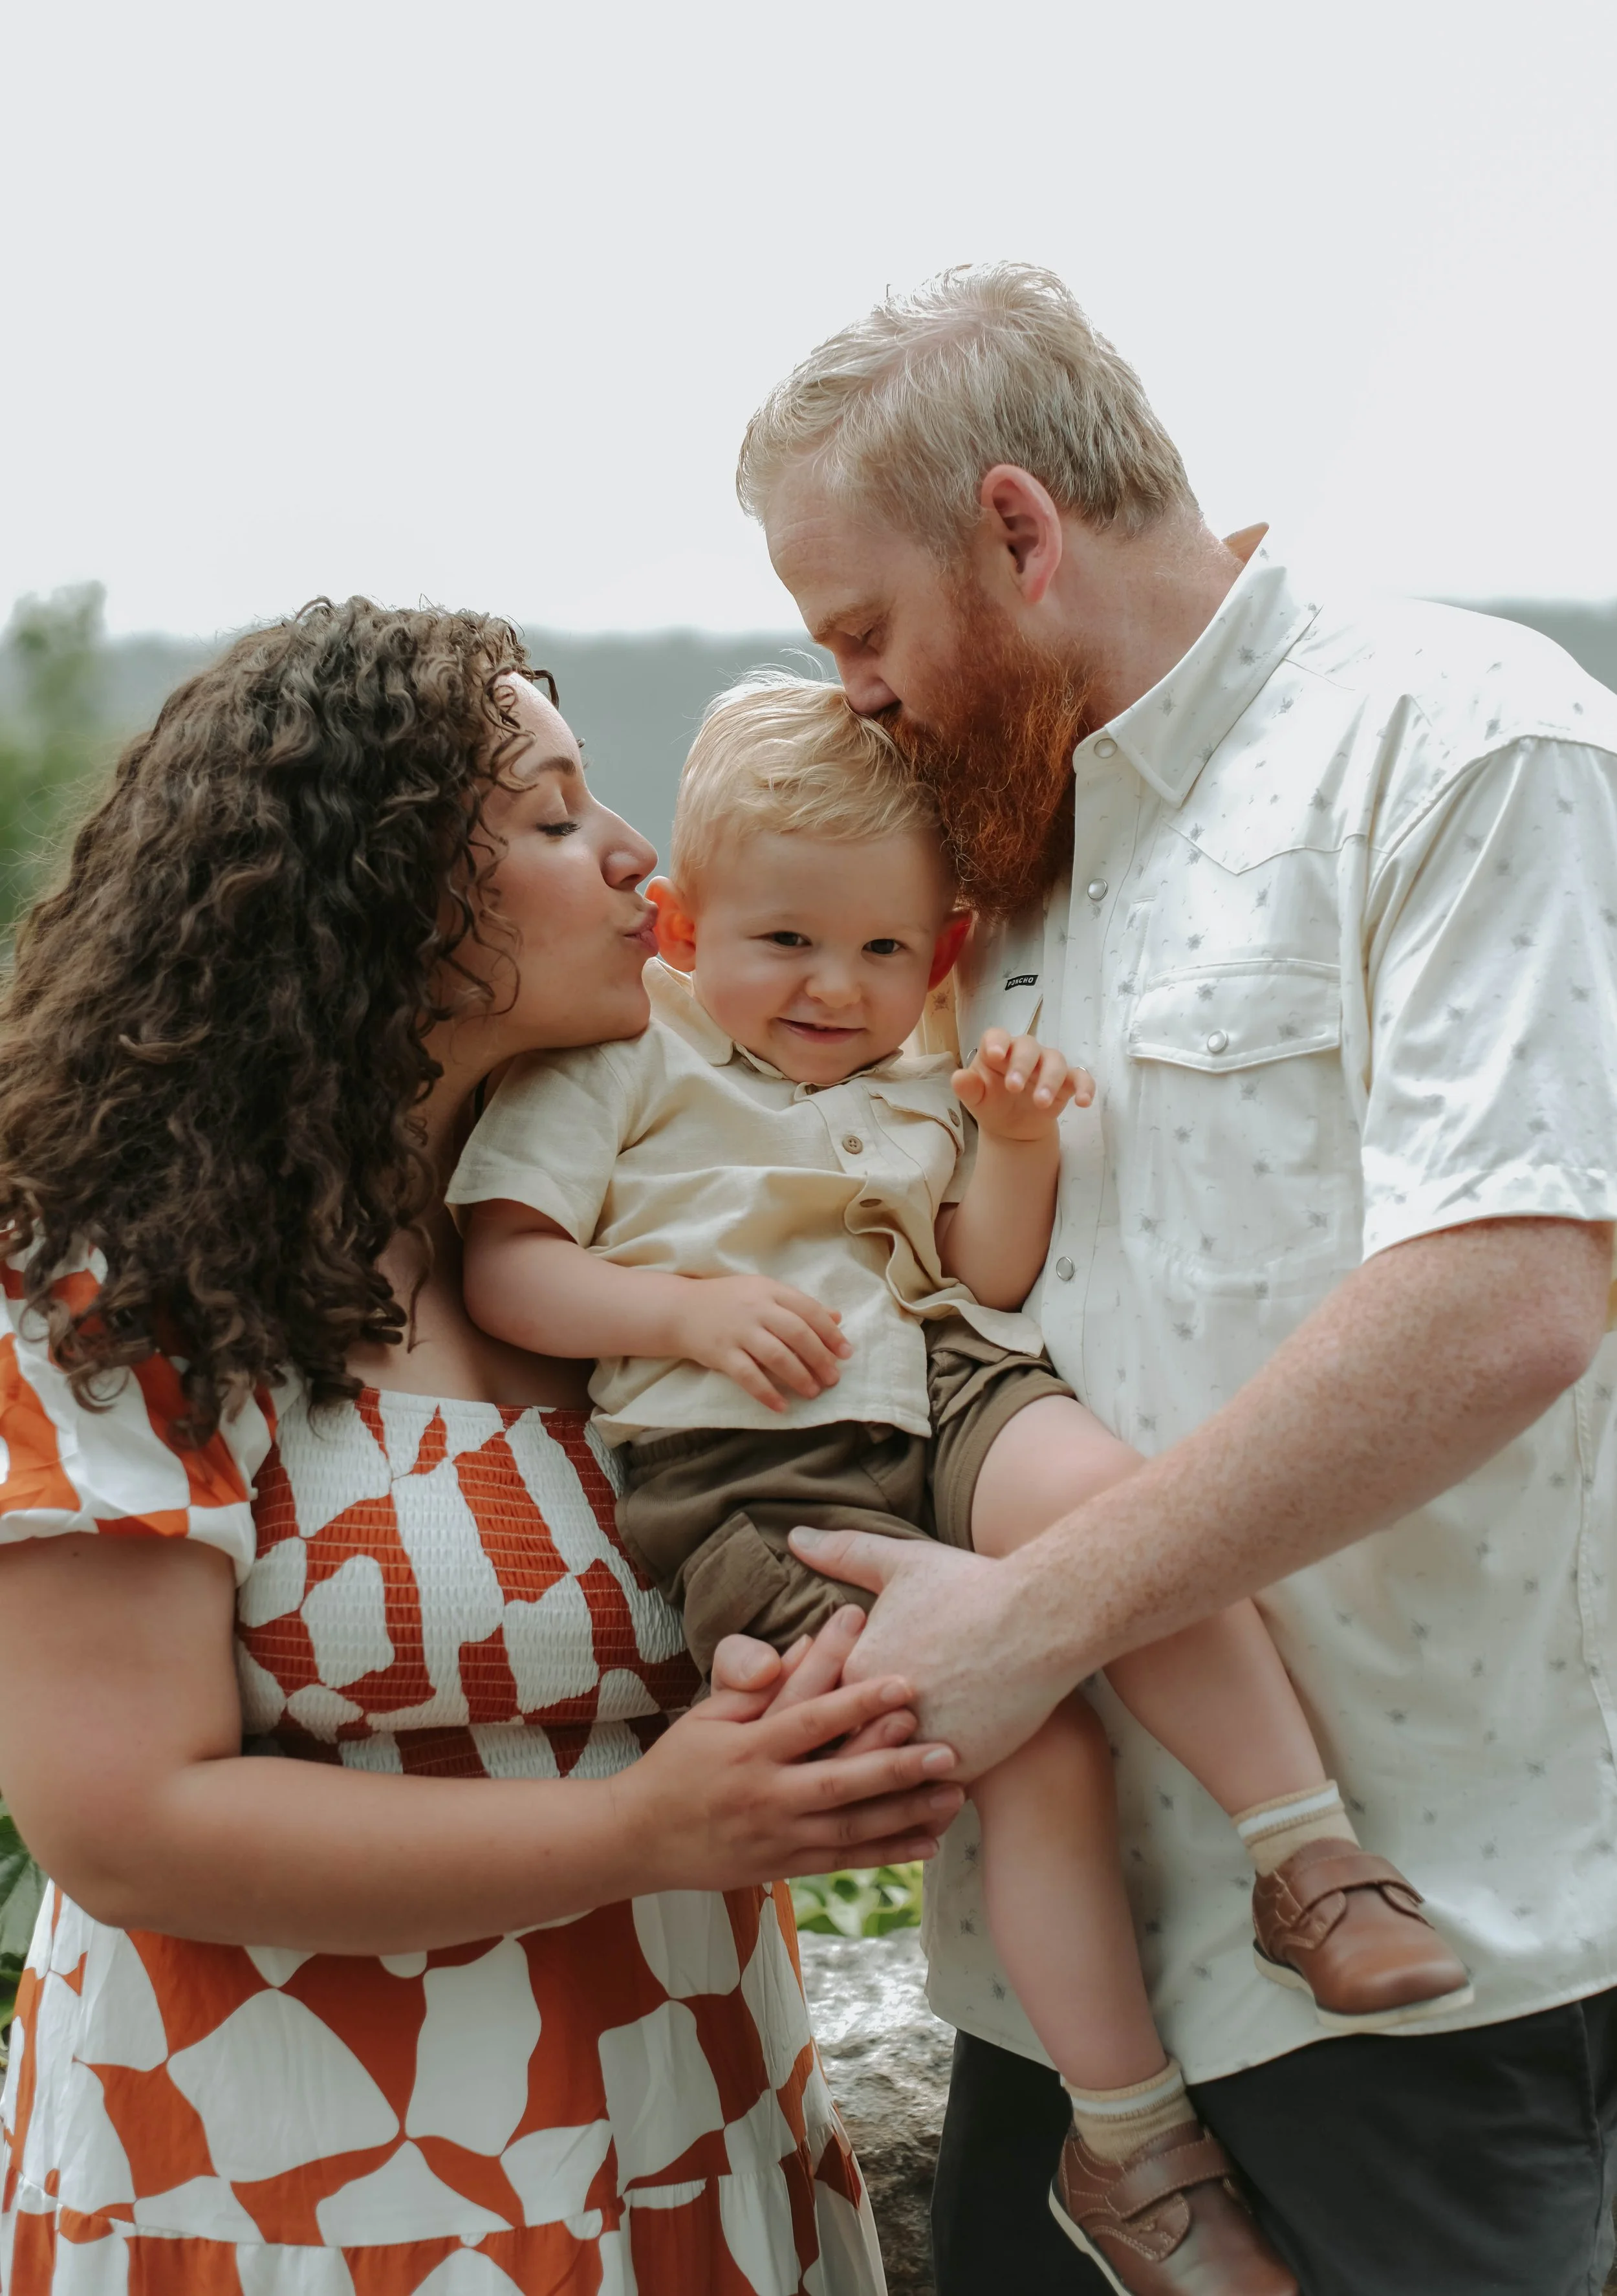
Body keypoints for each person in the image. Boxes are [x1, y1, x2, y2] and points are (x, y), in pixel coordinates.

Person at [737, 266, 1617, 2296]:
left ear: (1017, 530)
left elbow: (1505, 1299)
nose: (850, 691)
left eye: (862, 630)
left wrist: (1025, 1617)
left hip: (1424, 1978)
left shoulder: (1464, 742)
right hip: (1057, 1996)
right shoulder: (984, 846)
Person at [451, 673, 1470, 2294]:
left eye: (880, 951)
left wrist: (1009, 1143)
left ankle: (1311, 1859)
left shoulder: (918, 1078)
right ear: (685, 929)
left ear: (936, 953)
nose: (832, 986)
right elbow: (509, 1272)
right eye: (785, 940)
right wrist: (677, 1312)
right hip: (746, 1467)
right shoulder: (627, 1057)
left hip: (942, 1380)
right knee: (1031, 1745)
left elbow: (984, 1273)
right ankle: (1128, 2145)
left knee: (1118, 1515)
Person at [0, 598, 966, 2295]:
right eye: (552, 816)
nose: (636, 856)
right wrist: (646, 1828)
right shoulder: (124, 1270)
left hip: (684, 2128)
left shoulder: (619, 1236)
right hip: (292, 2194)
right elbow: (122, 1822)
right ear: (365, 890)